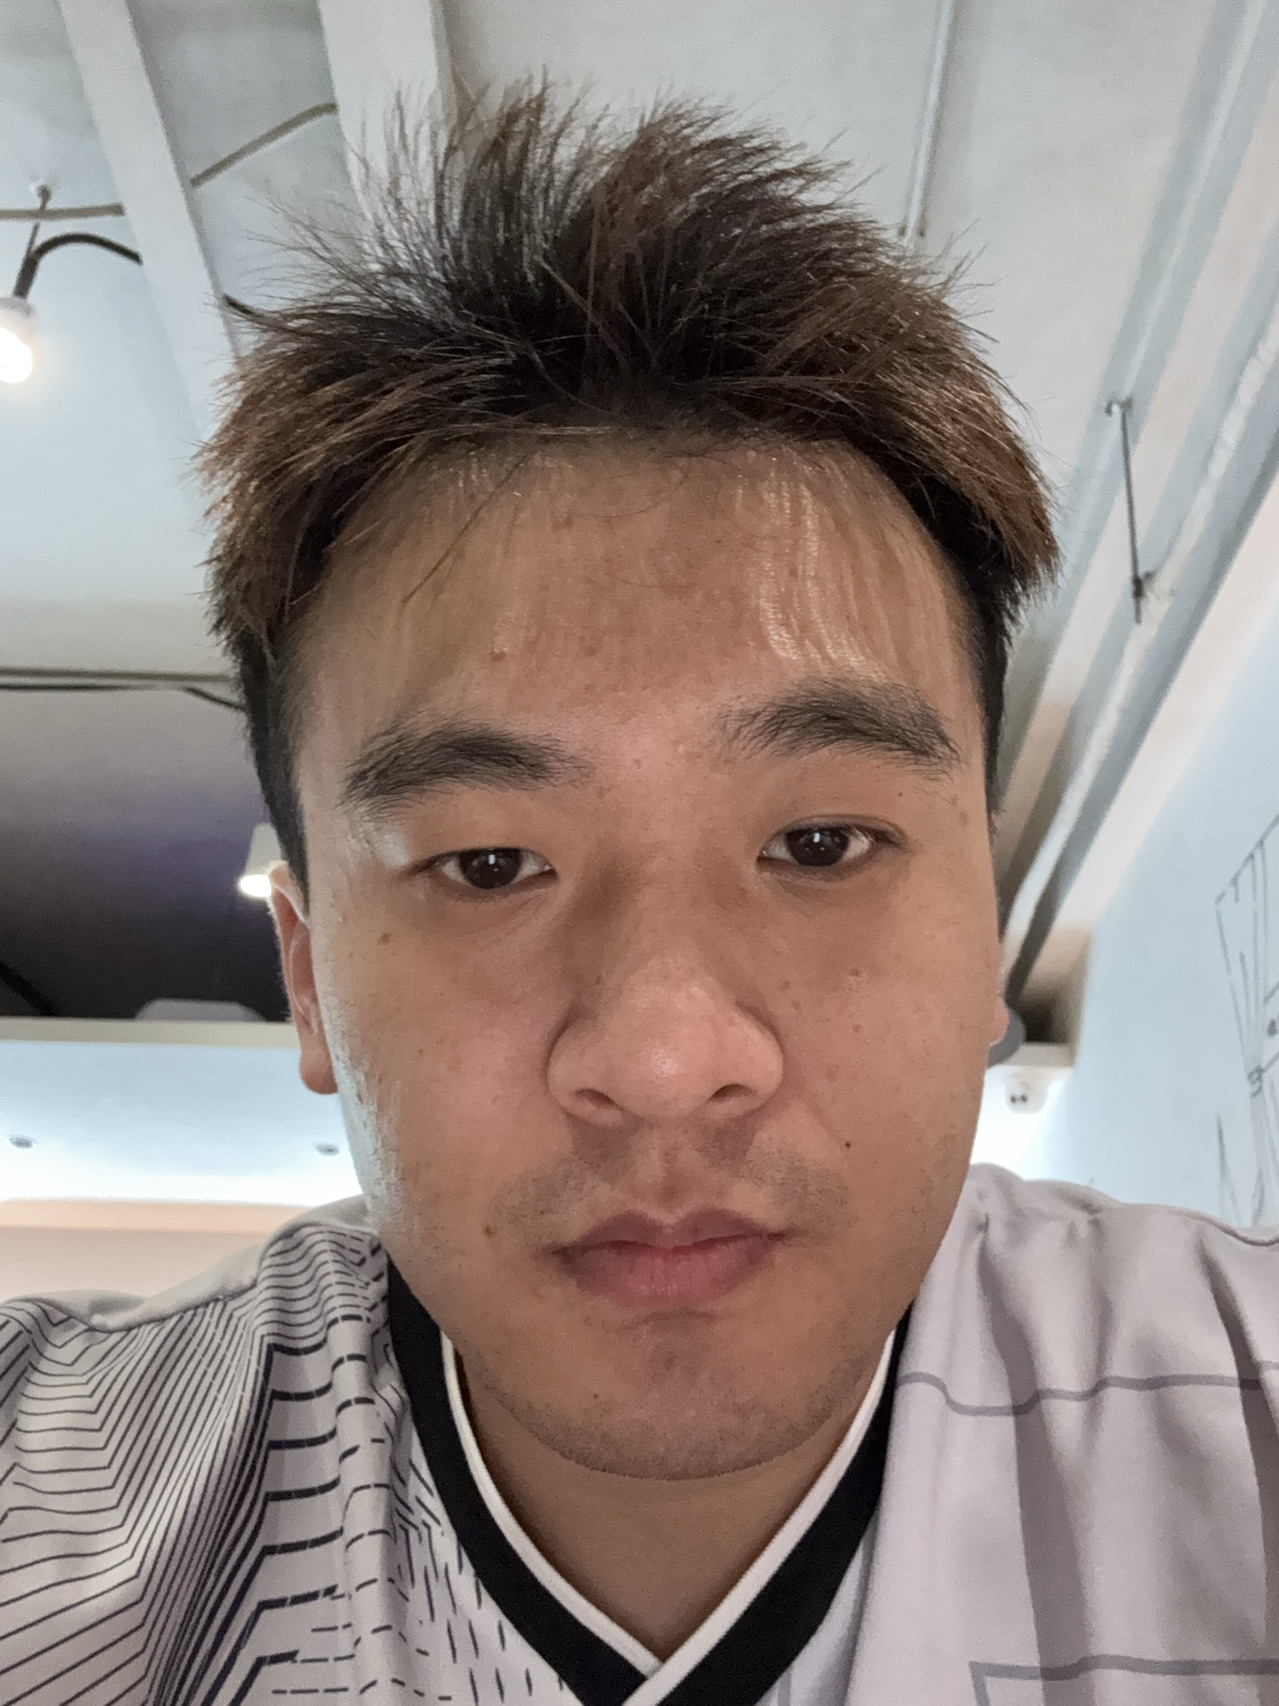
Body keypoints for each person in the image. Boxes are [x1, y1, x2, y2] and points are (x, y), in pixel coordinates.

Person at [3, 86, 1277, 1706]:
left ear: (987, 929)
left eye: (820, 843)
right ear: (309, 977)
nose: (669, 1058)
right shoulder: (59, 1514)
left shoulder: (1240, 1417)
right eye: (489, 864)